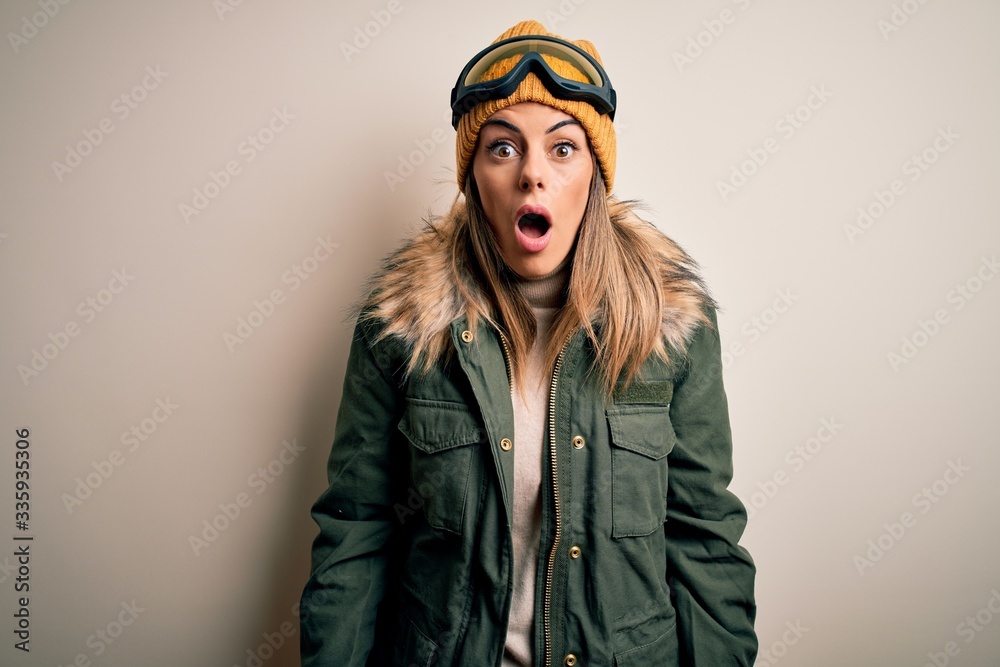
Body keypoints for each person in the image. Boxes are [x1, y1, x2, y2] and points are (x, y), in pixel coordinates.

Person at [299, 19, 757, 666]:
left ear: (595, 174)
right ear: (473, 177)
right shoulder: (402, 328)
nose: (532, 175)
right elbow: (355, 534)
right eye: (504, 148)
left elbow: (704, 538)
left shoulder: (670, 327)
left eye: (562, 148)